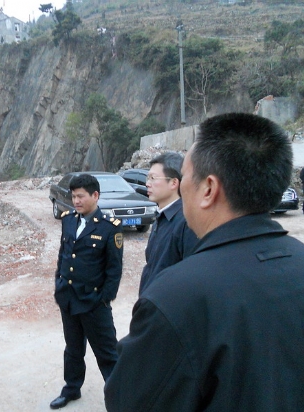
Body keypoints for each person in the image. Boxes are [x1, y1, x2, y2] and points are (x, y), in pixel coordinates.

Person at [104, 113, 304, 411]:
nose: (181, 188)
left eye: (185, 177)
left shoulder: (175, 297)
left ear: (208, 189)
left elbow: (127, 400)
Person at [50, 174, 123, 410]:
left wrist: (104, 299)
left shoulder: (109, 227)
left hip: (94, 302)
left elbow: (114, 270)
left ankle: (120, 398)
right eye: (73, 196)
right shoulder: (69, 220)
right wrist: (59, 284)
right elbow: (63, 255)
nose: (76, 201)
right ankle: (72, 388)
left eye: (81, 196)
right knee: (73, 350)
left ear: (95, 195)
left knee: (107, 354)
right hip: (69, 299)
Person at [138, 152, 198, 295]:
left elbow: (191, 278)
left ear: (173, 183)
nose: (147, 184)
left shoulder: (187, 221)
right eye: (147, 178)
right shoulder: (161, 216)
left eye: (153, 178)